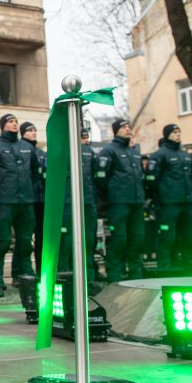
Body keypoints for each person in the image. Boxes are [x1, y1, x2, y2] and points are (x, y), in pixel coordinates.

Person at [0, 113, 39, 297]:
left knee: (26, 242)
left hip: (25, 203)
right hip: (3, 203)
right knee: (1, 242)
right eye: (10, 122)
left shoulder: (27, 147)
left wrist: (27, 190)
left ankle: (26, 278)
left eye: (16, 122)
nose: (14, 124)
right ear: (3, 125)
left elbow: (35, 173)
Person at [95, 119, 146, 282]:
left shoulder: (133, 151)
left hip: (136, 203)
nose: (127, 129)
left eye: (128, 127)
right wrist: (112, 195)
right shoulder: (109, 151)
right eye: (123, 127)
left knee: (137, 239)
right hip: (118, 204)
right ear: (115, 130)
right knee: (119, 240)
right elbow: (101, 178)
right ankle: (115, 276)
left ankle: (136, 276)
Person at [144, 124, 192, 274]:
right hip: (169, 203)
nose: (178, 135)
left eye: (179, 132)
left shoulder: (185, 155)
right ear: (167, 135)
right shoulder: (159, 155)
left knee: (189, 237)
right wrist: (161, 196)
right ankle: (165, 268)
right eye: (174, 132)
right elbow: (151, 180)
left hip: (187, 202)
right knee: (167, 238)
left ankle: (190, 269)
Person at [57, 129, 99, 280]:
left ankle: (89, 277)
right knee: (67, 240)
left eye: (86, 137)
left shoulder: (89, 152)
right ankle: (65, 276)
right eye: (82, 136)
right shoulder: (62, 150)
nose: (85, 139)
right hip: (68, 202)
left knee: (88, 240)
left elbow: (96, 176)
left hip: (88, 201)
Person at [20, 122, 46, 275]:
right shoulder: (20, 149)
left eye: (35, 130)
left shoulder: (41, 153)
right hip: (27, 199)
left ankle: (41, 269)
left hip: (41, 200)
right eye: (30, 130)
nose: (33, 133)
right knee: (25, 239)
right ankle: (22, 272)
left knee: (41, 238)